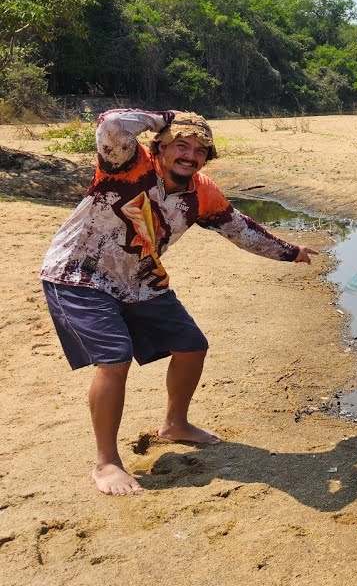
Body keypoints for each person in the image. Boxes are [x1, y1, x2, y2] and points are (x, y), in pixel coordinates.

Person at [40, 109, 320, 495]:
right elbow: (112, 124)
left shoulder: (201, 192)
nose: (190, 155)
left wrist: (290, 252)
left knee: (191, 346)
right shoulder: (127, 166)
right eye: (181, 145)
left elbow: (240, 230)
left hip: (138, 280)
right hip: (79, 274)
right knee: (115, 358)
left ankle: (175, 425)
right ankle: (106, 462)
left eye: (200, 150)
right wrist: (166, 117)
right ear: (160, 148)